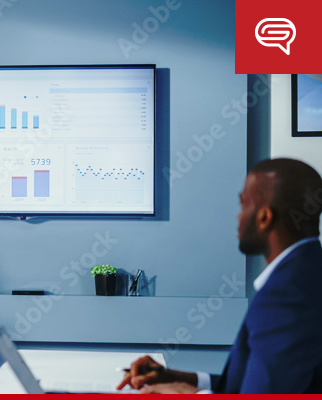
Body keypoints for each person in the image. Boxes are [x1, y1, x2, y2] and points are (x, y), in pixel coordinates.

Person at [117, 158, 322, 394]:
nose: (238, 217)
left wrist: (186, 394)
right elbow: (250, 386)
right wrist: (171, 377)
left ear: (264, 218)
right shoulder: (307, 273)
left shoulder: (286, 295)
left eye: (243, 205)